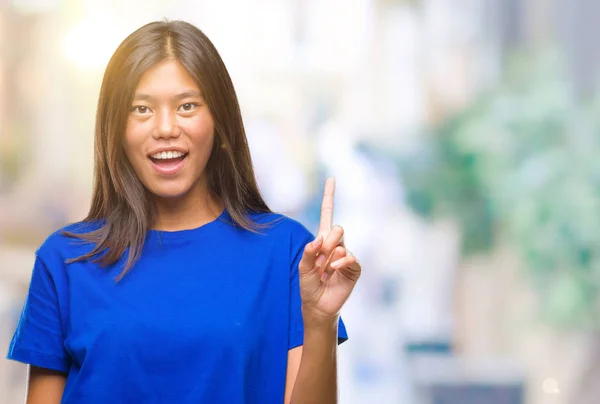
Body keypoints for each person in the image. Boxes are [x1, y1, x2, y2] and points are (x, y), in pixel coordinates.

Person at [5, 20, 361, 403]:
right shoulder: (64, 261)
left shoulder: (288, 252)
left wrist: (320, 321)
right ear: (115, 129)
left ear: (220, 123)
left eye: (187, 106)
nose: (165, 128)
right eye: (141, 109)